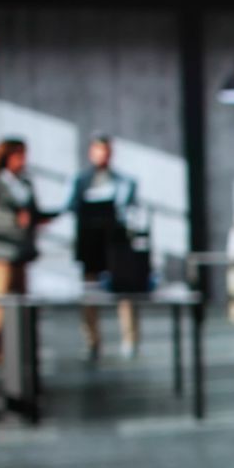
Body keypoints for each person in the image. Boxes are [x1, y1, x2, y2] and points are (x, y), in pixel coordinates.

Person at [65, 135, 140, 360]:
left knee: (125, 294)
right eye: (99, 151)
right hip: (90, 245)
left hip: (116, 243)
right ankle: (92, 341)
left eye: (106, 151)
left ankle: (130, 339)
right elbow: (71, 206)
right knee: (89, 295)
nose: (102, 156)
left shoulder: (123, 181)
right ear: (91, 153)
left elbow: (131, 209)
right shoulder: (82, 180)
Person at [0, 137, 42, 364]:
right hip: (0, 249)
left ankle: (23, 347)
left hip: (22, 250)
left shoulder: (25, 182)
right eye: (19, 155)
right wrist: (12, 220)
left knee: (22, 303)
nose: (23, 161)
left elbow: (33, 212)